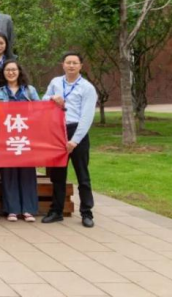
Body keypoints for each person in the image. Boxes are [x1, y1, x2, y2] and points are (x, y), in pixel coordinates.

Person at [42, 52, 97, 228]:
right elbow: (43, 100)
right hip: (58, 131)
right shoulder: (56, 82)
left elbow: (87, 117)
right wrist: (52, 98)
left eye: (75, 63)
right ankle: (56, 211)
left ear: (81, 66)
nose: (71, 66)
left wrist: (75, 141)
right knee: (57, 175)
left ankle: (86, 213)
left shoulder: (87, 88)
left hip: (77, 131)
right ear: (63, 65)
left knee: (82, 175)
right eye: (68, 62)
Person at [0, 61, 40, 222]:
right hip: (6, 136)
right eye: (7, 70)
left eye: (14, 69)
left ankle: (28, 209)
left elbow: (40, 110)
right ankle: (12, 209)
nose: (11, 72)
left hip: (26, 136)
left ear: (19, 71)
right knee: (9, 172)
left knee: (27, 172)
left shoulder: (30, 90)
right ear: (3, 73)